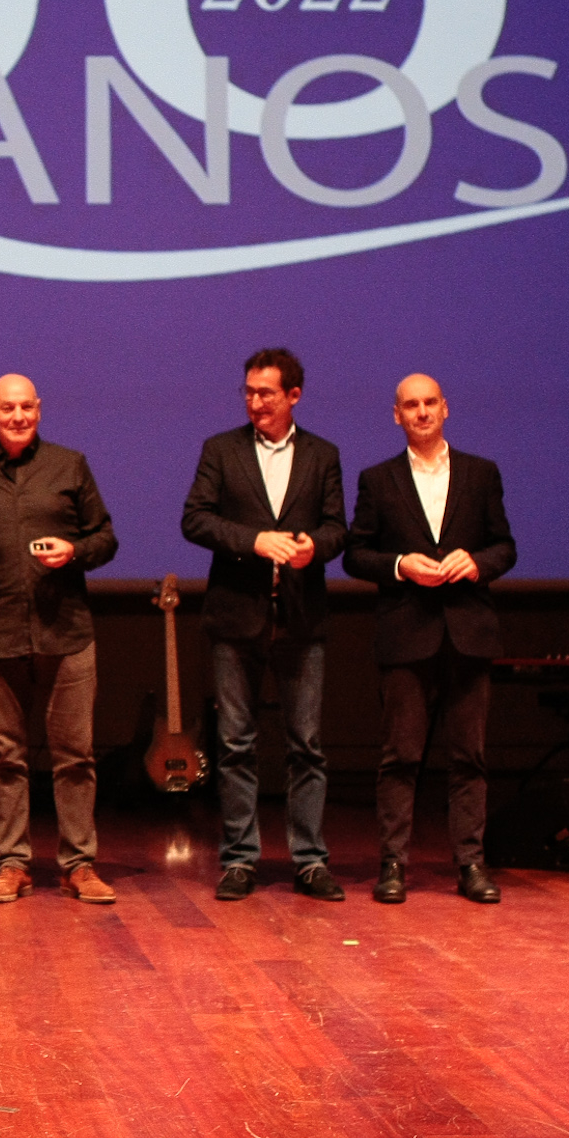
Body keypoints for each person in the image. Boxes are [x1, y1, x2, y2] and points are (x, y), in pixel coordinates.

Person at [0, 374, 120, 905]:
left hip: (67, 632)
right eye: (7, 408)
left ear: (39, 409)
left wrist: (75, 551)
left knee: (75, 756)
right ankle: (12, 863)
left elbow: (105, 538)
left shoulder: (70, 465)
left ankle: (79, 864)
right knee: (4, 756)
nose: (17, 417)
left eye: (26, 408)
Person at [181, 348, 347, 902]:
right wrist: (252, 541)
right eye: (249, 392)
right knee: (235, 744)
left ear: (293, 396)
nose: (255, 403)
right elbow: (195, 519)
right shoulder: (221, 449)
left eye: (266, 393)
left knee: (307, 746)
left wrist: (312, 548)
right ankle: (239, 859)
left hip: (300, 619)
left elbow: (337, 529)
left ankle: (310, 860)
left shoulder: (323, 454)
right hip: (236, 617)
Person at [344, 374, 517, 905]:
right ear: (396, 414)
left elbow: (505, 547)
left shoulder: (481, 473)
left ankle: (471, 864)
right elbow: (356, 554)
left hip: (468, 633)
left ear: (445, 408)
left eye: (429, 403)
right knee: (400, 756)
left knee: (469, 757)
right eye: (410, 405)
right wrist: (400, 565)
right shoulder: (378, 479)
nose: (421, 412)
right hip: (406, 634)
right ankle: (394, 864)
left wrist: (478, 562)